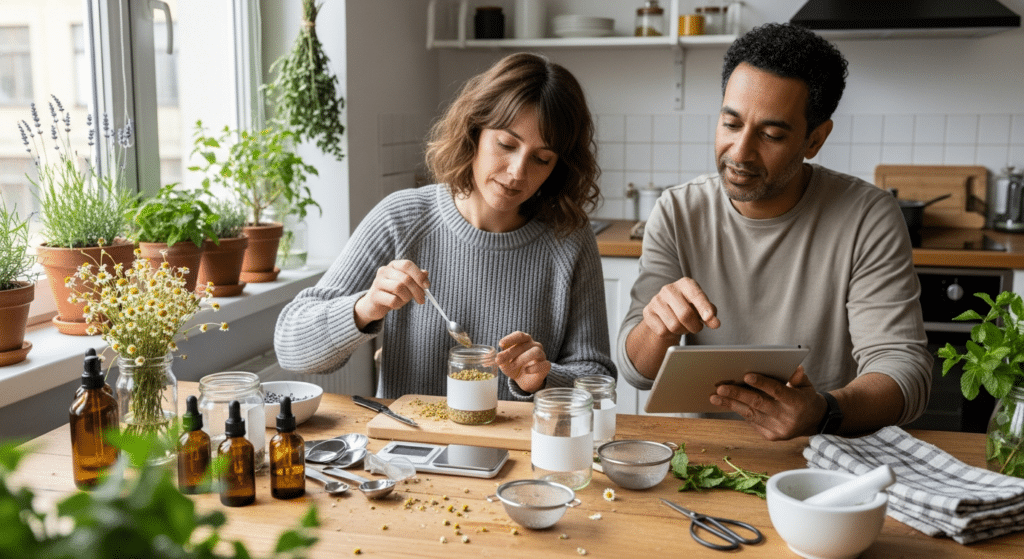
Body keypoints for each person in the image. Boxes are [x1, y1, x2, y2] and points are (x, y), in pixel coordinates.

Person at [617, 23, 932, 440]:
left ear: (815, 139)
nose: (741, 153)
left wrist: (824, 411)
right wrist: (657, 327)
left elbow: (904, 370)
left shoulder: (867, 216)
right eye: (731, 124)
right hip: (705, 454)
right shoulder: (678, 211)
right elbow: (636, 373)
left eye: (771, 135)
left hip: (824, 454)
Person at [275, 52, 615, 400]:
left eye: (541, 159)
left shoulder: (569, 238)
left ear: (558, 166)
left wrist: (543, 379)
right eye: (506, 144)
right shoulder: (401, 218)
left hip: (523, 451)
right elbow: (290, 346)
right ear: (475, 132)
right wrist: (365, 308)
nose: (517, 172)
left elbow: (599, 382)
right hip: (409, 450)